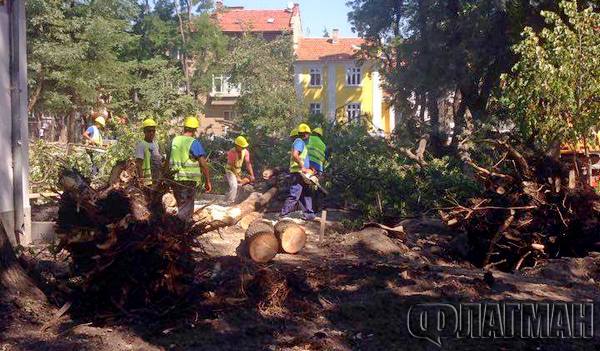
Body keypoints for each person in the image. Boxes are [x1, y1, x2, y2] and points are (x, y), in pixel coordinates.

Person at [169, 116, 212, 221]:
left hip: (175, 179)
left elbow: (167, 160)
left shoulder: (175, 140)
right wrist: (207, 181)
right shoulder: (193, 142)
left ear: (184, 128)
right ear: (194, 130)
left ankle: (178, 229)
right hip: (188, 181)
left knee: (180, 205)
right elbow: (203, 163)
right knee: (186, 209)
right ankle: (180, 231)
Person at [280, 123, 316, 220]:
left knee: (306, 194)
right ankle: (284, 214)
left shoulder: (301, 143)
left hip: (302, 173)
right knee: (295, 194)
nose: (308, 136)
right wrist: (303, 167)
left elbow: (301, 157)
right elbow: (295, 155)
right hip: (298, 173)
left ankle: (309, 214)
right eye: (308, 134)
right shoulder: (299, 141)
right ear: (305, 134)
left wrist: (309, 168)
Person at [225, 136, 256, 204]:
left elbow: (248, 164)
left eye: (244, 147)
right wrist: (237, 177)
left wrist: (252, 175)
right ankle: (230, 202)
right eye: (242, 146)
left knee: (249, 179)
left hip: (238, 171)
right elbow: (232, 166)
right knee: (234, 186)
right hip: (230, 170)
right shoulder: (232, 152)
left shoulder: (245, 152)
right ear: (237, 145)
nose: (243, 148)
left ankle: (239, 185)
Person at [135, 118, 162, 186]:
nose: (152, 133)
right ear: (144, 131)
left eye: (153, 131)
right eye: (149, 131)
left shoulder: (156, 144)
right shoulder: (141, 145)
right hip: (146, 181)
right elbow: (139, 164)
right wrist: (141, 179)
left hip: (155, 179)